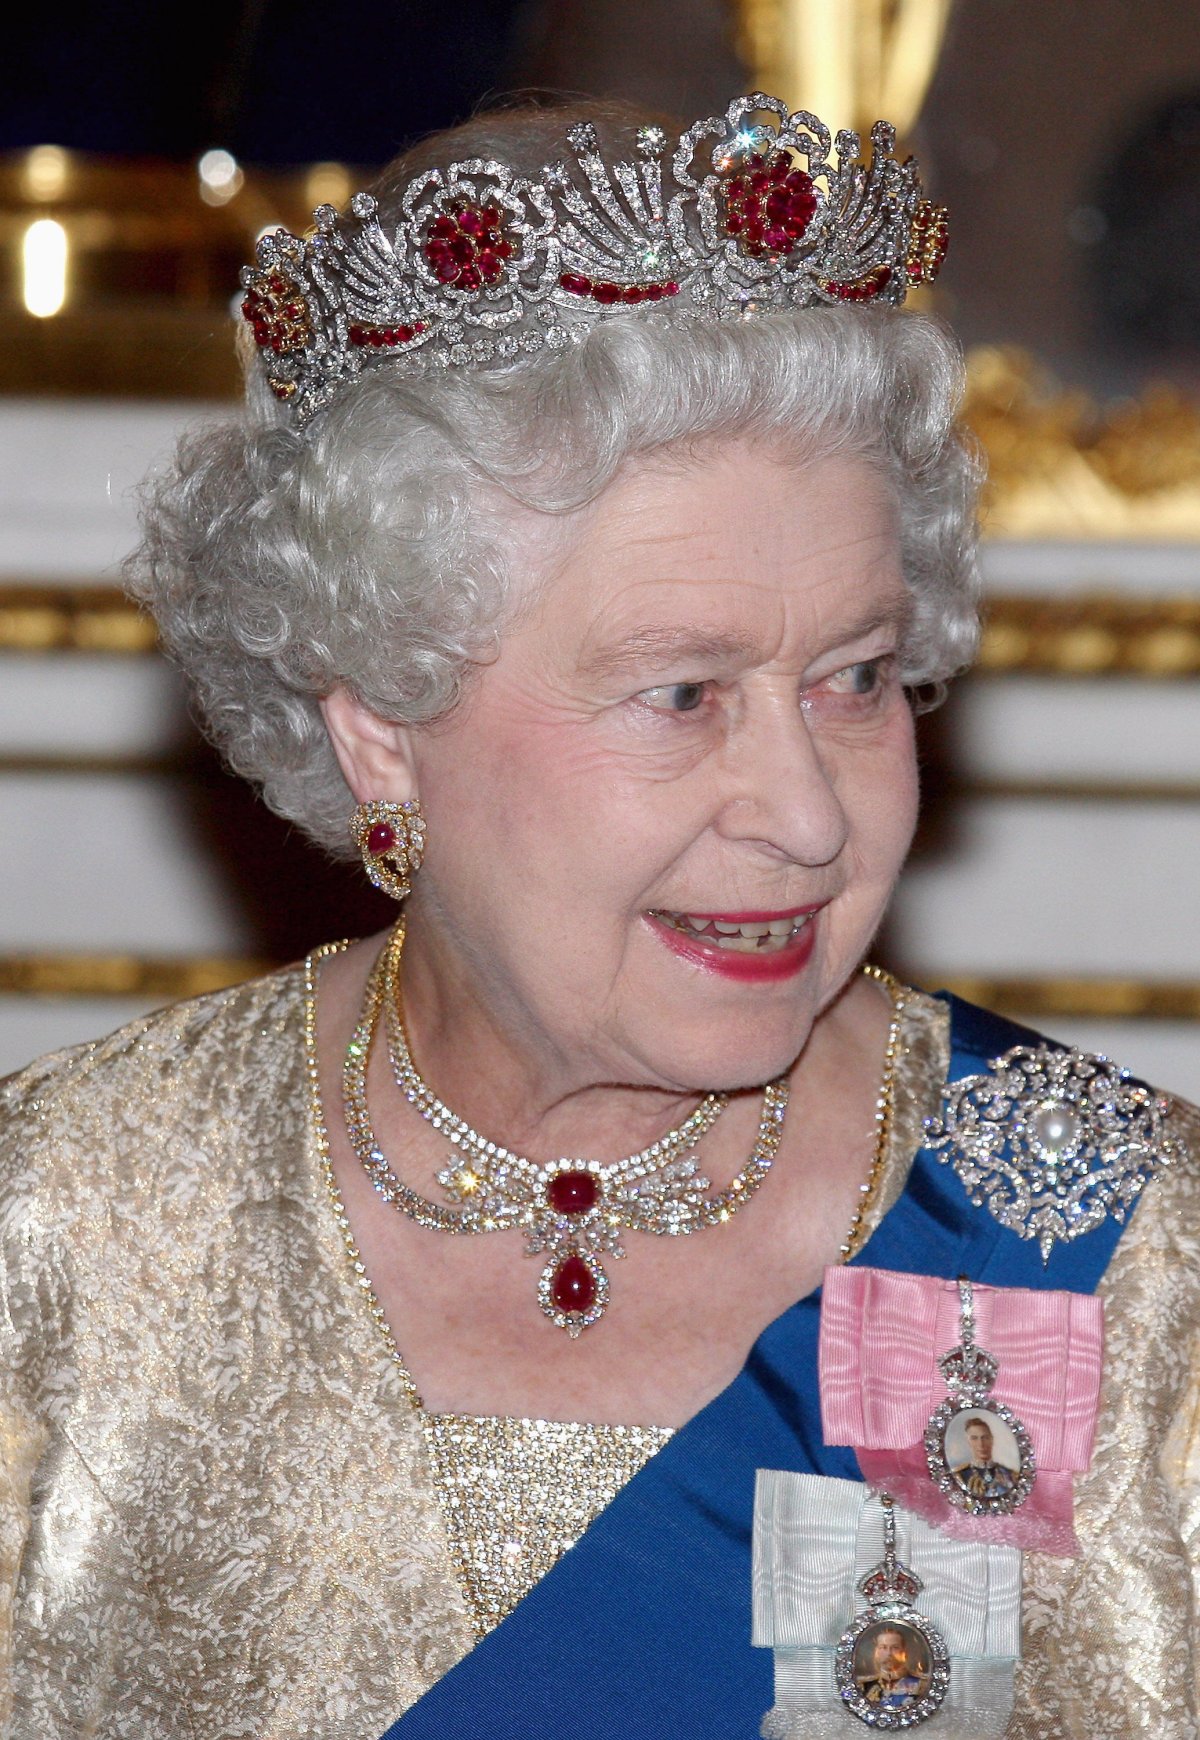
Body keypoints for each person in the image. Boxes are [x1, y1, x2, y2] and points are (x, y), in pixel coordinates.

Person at [0, 93, 1196, 1740]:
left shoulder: (1113, 1255)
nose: (808, 811)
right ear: (380, 719)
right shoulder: (58, 1237)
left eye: (857, 678)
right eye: (684, 692)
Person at [951, 1415, 1018, 1501]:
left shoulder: (1010, 1475)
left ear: (992, 1440)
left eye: (985, 1438)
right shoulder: (959, 1475)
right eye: (974, 1438)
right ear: (968, 1442)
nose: (981, 1444)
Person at [857, 1626, 927, 1707]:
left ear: (904, 1652)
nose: (889, 1653)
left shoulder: (921, 1685)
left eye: (895, 1648)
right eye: (883, 1647)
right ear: (876, 1652)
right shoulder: (863, 1686)